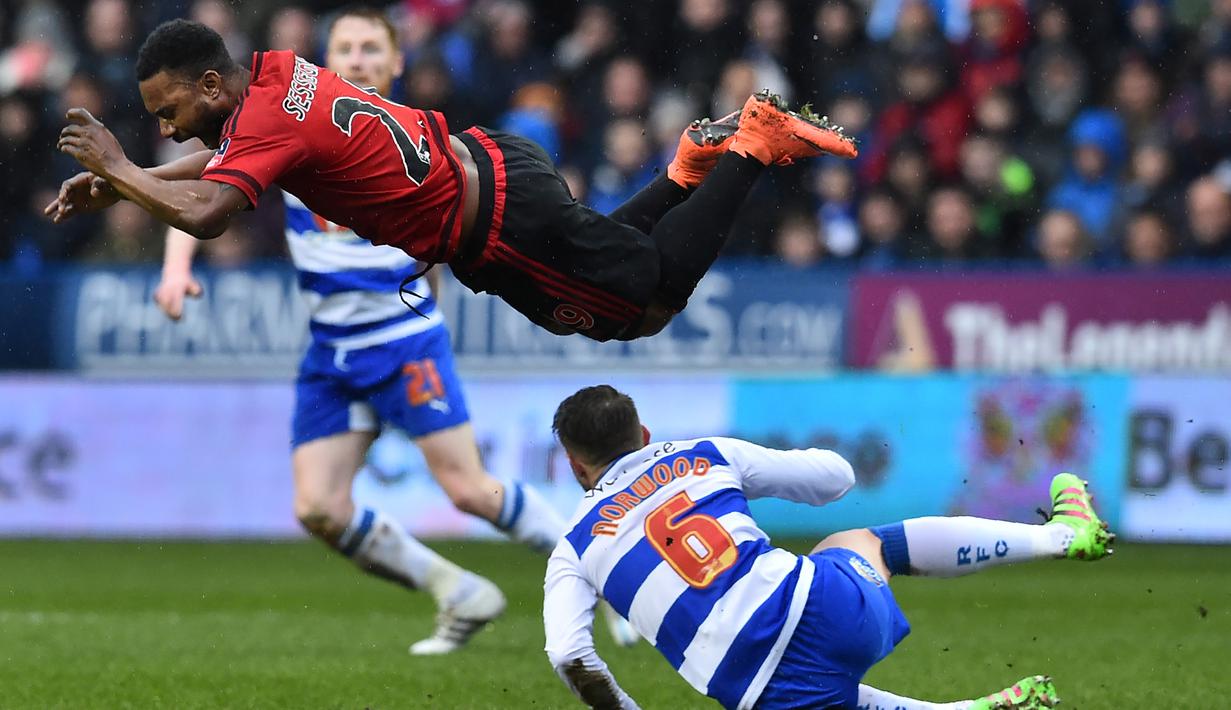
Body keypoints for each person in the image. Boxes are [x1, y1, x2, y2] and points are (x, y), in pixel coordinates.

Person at [150, 7, 634, 656]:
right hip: (330, 343)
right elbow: (214, 177)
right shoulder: (285, 116)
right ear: (327, 57)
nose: (355, 59)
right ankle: (458, 591)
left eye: (369, 48)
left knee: (469, 490)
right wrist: (175, 267)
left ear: (396, 61)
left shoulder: (387, 132)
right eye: (343, 47)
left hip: (399, 337)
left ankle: (604, 572)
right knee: (318, 506)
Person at [46, 19, 857, 342]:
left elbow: (214, 211)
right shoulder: (276, 75)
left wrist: (119, 166)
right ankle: (684, 170)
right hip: (496, 161)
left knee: (644, 304)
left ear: (213, 87)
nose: (164, 125)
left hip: (494, 225)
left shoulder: (257, 123)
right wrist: (132, 180)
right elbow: (231, 163)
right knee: (613, 260)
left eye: (168, 108)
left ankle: (750, 143)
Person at [543, 385, 1117, 710]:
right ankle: (1064, 535)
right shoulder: (701, 454)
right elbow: (836, 478)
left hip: (754, 691)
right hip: (822, 614)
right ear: (644, 437)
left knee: (812, 695)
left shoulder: (571, 548)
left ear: (573, 464)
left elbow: (570, 655)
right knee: (857, 541)